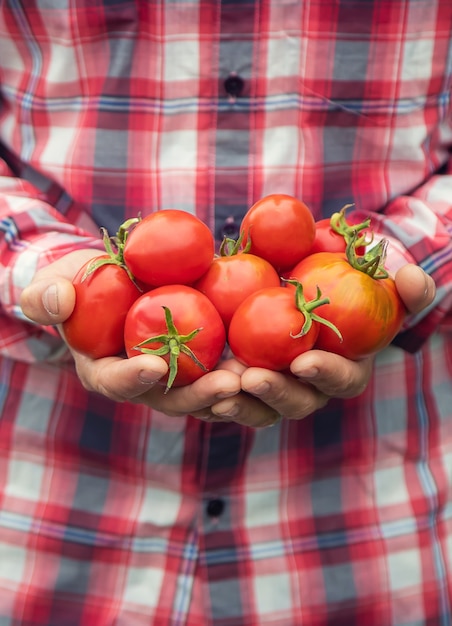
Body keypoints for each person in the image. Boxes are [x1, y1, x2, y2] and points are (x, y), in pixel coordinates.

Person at [0, 0, 450, 624]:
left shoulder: (315, 280)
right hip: (57, 515)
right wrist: (43, 265)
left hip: (365, 526)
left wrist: (398, 260)